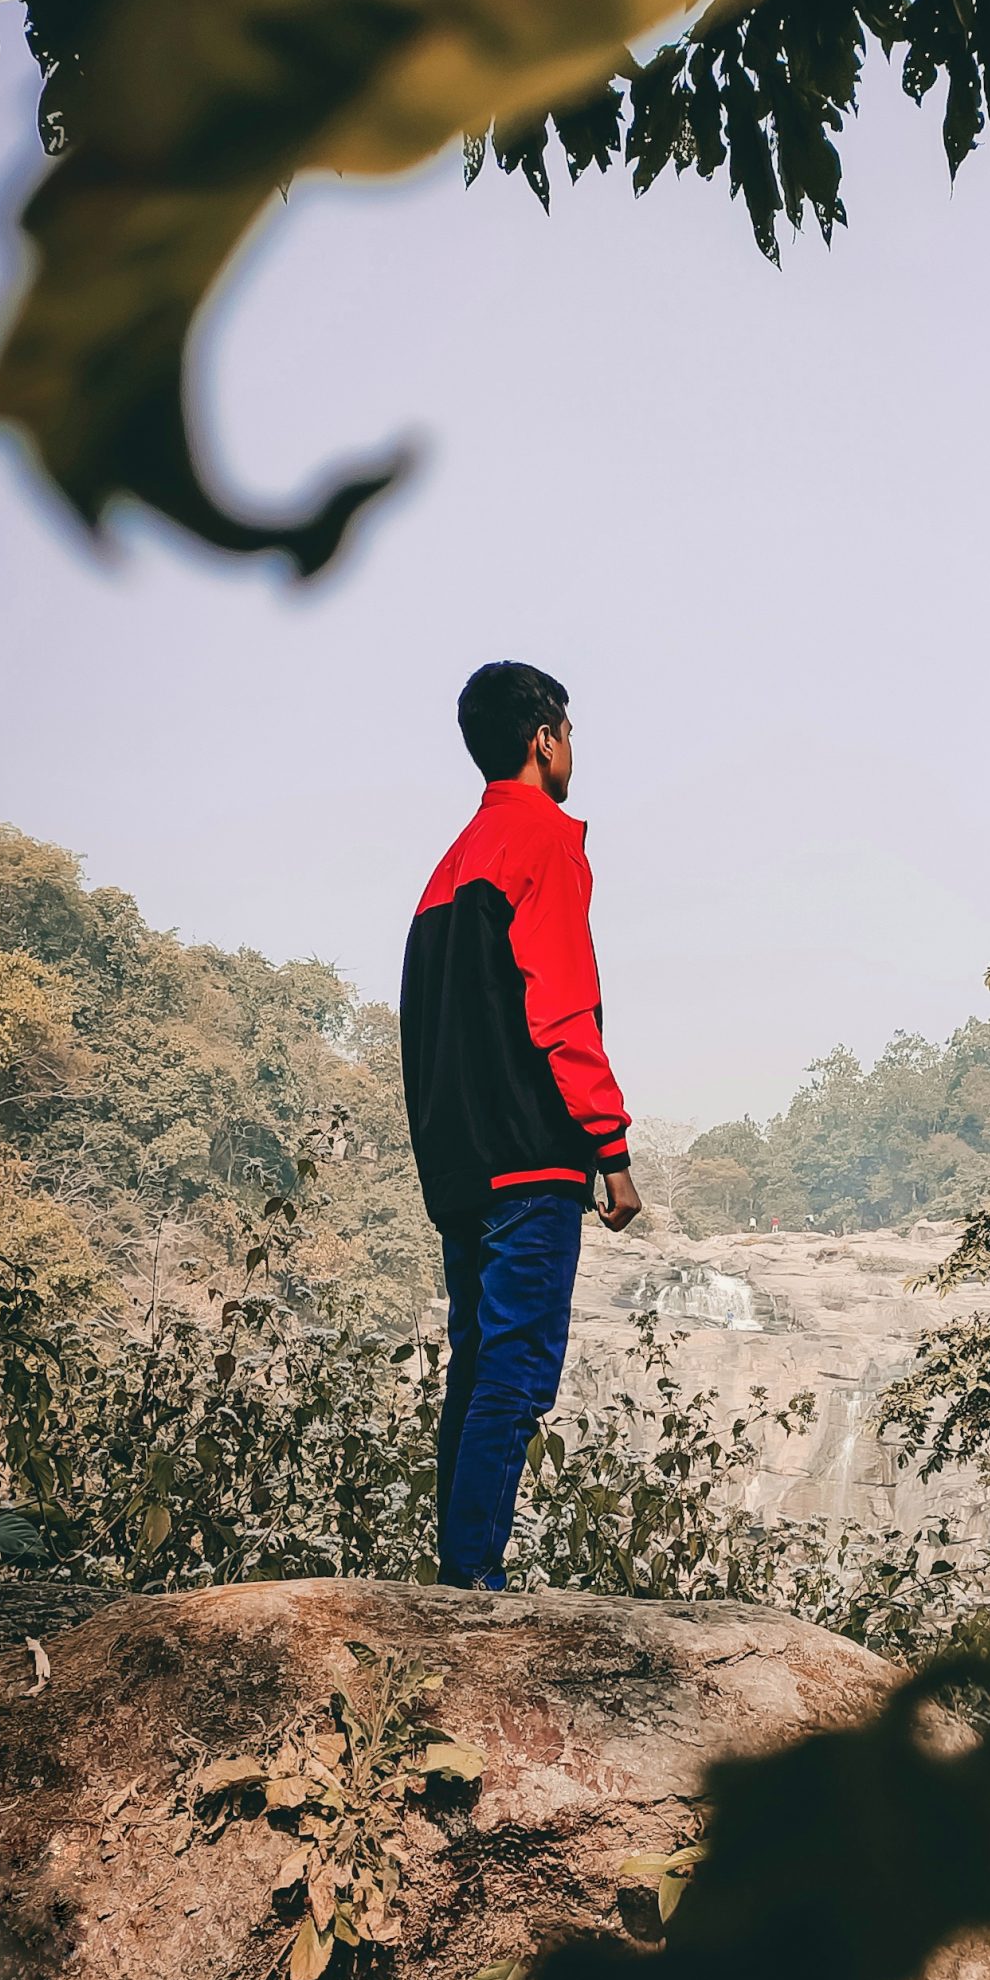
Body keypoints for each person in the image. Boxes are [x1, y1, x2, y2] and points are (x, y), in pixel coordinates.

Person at [399, 660, 643, 1588]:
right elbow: (562, 1009)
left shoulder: (449, 863)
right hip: (529, 1161)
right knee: (516, 1375)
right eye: (569, 731)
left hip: (458, 1162)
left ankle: (456, 1571)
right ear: (543, 738)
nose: (573, 748)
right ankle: (471, 1585)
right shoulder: (545, 841)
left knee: (475, 1370)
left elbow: (423, 1025)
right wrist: (610, 1150)